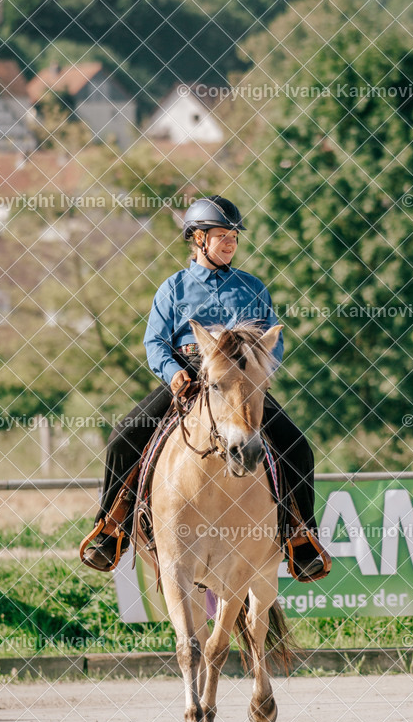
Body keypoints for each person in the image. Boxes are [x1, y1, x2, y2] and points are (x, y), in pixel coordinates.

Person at [81, 195, 326, 580]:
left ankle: (301, 536)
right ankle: (111, 529)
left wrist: (258, 366)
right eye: (222, 235)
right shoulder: (173, 288)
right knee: (122, 436)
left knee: (297, 446)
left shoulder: (252, 287)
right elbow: (155, 341)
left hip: (239, 380)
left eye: (234, 236)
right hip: (190, 375)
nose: (230, 242)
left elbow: (273, 339)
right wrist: (172, 372)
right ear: (198, 239)